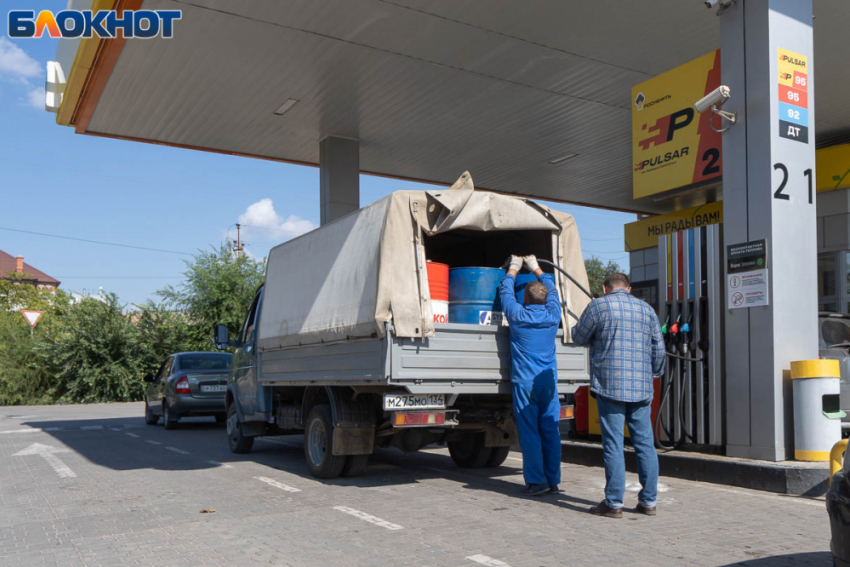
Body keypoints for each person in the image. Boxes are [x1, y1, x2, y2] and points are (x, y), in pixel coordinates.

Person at [571, 273, 665, 518]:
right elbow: (659, 349)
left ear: (605, 288)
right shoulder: (647, 310)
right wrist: (654, 373)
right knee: (644, 444)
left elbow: (578, 337)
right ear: (629, 289)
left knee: (613, 445)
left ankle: (614, 504)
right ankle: (649, 502)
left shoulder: (598, 306)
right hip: (641, 388)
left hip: (610, 386)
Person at [499, 254, 562, 496]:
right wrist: (536, 267)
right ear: (545, 300)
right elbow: (554, 290)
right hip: (548, 383)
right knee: (550, 431)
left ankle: (536, 481)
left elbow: (505, 291)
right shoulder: (552, 315)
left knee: (530, 432)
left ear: (524, 298)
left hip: (525, 384)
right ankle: (553, 481)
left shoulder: (517, 315)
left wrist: (513, 267)